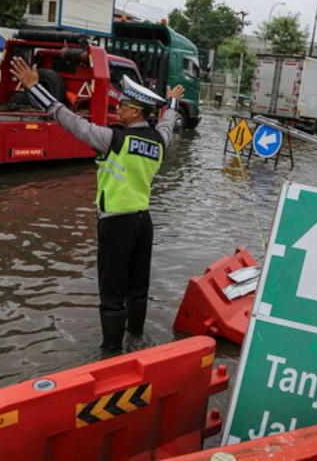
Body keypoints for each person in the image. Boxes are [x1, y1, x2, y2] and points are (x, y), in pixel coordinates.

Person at [9, 56, 185, 353]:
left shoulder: (112, 139)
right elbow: (168, 120)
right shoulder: (159, 140)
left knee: (112, 291)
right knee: (138, 287)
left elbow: (68, 120)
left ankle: (111, 352)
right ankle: (137, 337)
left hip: (116, 223)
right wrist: (172, 102)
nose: (118, 109)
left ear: (135, 111)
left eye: (123, 106)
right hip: (144, 223)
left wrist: (36, 89)